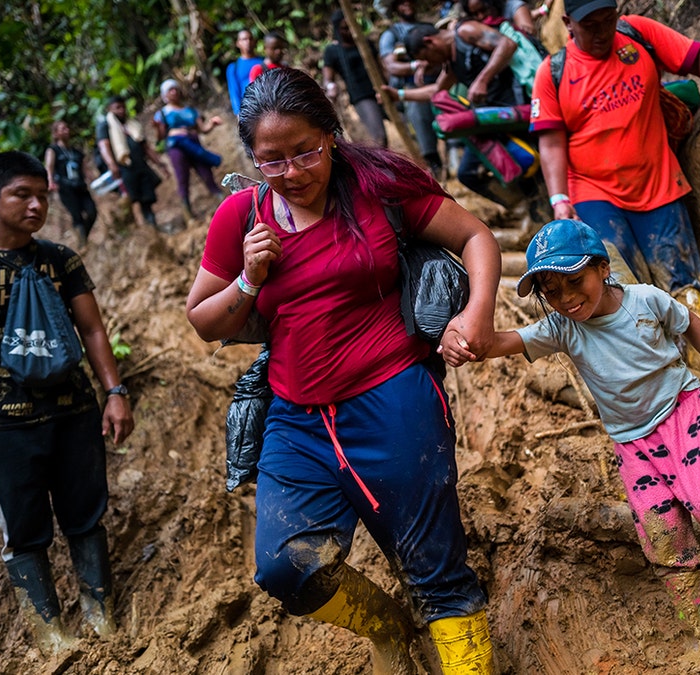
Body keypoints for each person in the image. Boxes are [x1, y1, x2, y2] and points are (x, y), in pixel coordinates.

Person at [186, 67, 502, 675]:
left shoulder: (378, 187)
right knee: (284, 567)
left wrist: (477, 314)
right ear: (253, 158)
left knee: (435, 566)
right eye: (271, 160)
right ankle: (389, 627)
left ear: (330, 134)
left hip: (393, 397)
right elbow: (204, 320)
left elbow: (476, 237)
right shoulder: (239, 217)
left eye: (305, 151)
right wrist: (250, 278)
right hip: (295, 418)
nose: (293, 173)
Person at [447, 218, 700, 672]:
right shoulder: (562, 328)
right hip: (631, 442)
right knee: (664, 537)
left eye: (575, 281)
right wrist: (465, 340)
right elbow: (502, 341)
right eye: (552, 291)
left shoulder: (646, 301)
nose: (566, 299)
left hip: (682, 411)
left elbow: (689, 320)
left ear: (602, 268)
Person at [0, 150, 134, 655]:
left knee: (86, 515)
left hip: (73, 411)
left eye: (43, 195)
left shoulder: (60, 259)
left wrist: (115, 392)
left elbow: (93, 329)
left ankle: (99, 615)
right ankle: (51, 635)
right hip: (2, 424)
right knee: (23, 530)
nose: (36, 205)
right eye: (22, 195)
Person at [529, 0, 700, 328]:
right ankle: (652, 366)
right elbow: (550, 142)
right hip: (592, 192)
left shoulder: (637, 33)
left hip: (657, 181)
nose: (603, 33)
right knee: (617, 285)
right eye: (591, 26)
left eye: (608, 21)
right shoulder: (553, 73)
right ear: (568, 23)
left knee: (682, 280)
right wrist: (560, 200)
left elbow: (695, 57)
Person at [389, 21, 536, 208]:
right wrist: (399, 95)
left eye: (426, 57)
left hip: (516, 107)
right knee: (467, 174)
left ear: (429, 42)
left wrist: (482, 79)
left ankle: (536, 204)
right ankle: (521, 207)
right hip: (490, 121)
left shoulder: (466, 32)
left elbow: (507, 44)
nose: (429, 64)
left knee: (526, 163)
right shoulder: (450, 64)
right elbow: (436, 90)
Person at [378, 0, 444, 175]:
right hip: (411, 88)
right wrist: (416, 65)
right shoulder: (391, 34)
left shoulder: (428, 27)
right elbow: (391, 67)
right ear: (395, 7)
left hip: (441, 83)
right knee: (422, 125)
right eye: (402, 2)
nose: (408, 5)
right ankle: (433, 164)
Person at [153, 79, 224, 218]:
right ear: (164, 95)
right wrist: (157, 128)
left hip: (194, 144)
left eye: (175, 88)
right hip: (176, 147)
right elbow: (160, 137)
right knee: (182, 178)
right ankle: (188, 214)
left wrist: (212, 123)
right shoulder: (162, 114)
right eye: (170, 90)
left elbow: (203, 129)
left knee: (206, 172)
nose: (174, 92)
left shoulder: (191, 110)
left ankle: (221, 201)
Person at [323, 9, 388, 148]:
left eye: (351, 26)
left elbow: (381, 67)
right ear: (337, 30)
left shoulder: (365, 43)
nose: (349, 31)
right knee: (379, 136)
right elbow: (328, 77)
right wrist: (330, 87)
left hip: (382, 89)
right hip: (362, 95)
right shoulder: (333, 51)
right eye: (344, 28)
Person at [97, 96, 163, 230]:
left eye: (123, 107)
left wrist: (159, 163)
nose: (121, 110)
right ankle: (136, 229)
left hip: (140, 166)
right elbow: (104, 146)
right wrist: (112, 165)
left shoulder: (132, 125)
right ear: (110, 110)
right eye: (117, 108)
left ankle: (152, 227)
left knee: (146, 198)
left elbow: (144, 146)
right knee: (131, 199)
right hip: (124, 169)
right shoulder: (106, 125)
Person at [44, 120, 98, 246]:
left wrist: (94, 181)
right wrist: (50, 182)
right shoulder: (53, 150)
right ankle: (82, 243)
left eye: (67, 128)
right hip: (65, 187)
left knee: (92, 212)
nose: (66, 130)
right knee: (76, 215)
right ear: (56, 133)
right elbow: (49, 167)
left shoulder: (76, 152)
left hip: (80, 186)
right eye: (62, 129)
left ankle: (84, 236)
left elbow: (85, 170)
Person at [226, 29, 265, 117]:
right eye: (244, 39)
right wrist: (239, 114)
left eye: (250, 39)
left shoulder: (263, 62)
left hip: (267, 107)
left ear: (254, 41)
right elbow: (234, 92)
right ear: (238, 43)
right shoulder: (234, 67)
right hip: (248, 111)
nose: (248, 42)